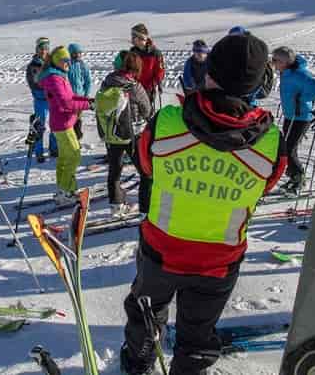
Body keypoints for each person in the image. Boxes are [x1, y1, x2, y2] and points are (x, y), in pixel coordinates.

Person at [121, 32, 287, 375]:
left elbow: (146, 165)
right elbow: (265, 186)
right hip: (219, 259)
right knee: (197, 334)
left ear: (208, 73)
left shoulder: (167, 121)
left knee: (145, 314)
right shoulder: (271, 142)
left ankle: (138, 360)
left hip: (161, 249)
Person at [97, 52, 152, 219]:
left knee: (114, 171)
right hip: (133, 135)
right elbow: (147, 109)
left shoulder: (107, 82)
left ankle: (116, 205)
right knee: (146, 173)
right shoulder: (133, 86)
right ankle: (145, 210)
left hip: (112, 134)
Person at [38, 46, 92, 206]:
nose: (68, 63)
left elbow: (71, 96)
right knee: (74, 156)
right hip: (63, 124)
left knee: (64, 158)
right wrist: (87, 106)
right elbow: (66, 103)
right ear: (57, 61)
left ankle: (64, 190)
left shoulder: (59, 76)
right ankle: (66, 191)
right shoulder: (54, 78)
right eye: (65, 61)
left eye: (69, 60)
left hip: (62, 123)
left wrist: (87, 101)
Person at [272, 46, 315, 193]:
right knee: (286, 148)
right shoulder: (286, 72)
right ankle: (293, 177)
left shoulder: (299, 74)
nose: (273, 63)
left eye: (275, 60)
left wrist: (302, 98)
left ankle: (299, 178)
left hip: (301, 117)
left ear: (285, 62)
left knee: (289, 149)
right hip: (290, 115)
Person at [26, 37, 58, 163]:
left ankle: (53, 148)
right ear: (37, 49)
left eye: (46, 48)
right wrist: (45, 88)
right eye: (42, 48)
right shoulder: (33, 65)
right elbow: (34, 82)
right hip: (41, 99)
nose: (44, 51)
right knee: (40, 125)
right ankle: (39, 152)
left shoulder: (52, 62)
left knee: (55, 123)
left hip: (53, 99)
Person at [129, 24, 165, 107]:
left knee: (147, 113)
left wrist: (152, 85)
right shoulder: (132, 52)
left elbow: (160, 72)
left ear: (141, 38)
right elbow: (129, 69)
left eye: (134, 36)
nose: (132, 39)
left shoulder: (155, 53)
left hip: (148, 90)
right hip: (134, 88)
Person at [67, 43, 92, 140]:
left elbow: (88, 81)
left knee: (78, 117)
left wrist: (86, 95)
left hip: (80, 97)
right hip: (69, 97)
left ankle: (77, 136)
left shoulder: (83, 65)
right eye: (75, 53)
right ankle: (71, 137)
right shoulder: (67, 65)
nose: (78, 55)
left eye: (79, 53)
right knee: (69, 118)